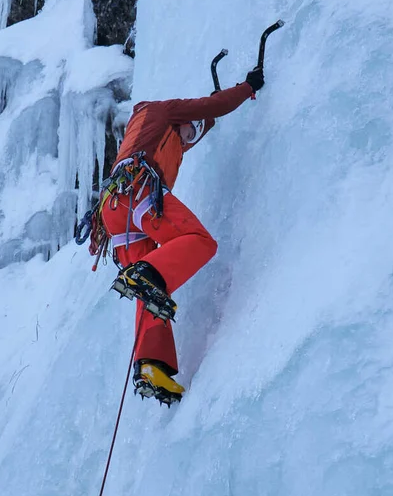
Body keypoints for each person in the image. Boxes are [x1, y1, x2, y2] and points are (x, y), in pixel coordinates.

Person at [82, 66, 264, 404]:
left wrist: (206, 122)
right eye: (187, 133)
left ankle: (152, 366)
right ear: (179, 122)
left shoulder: (148, 132)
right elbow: (209, 110)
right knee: (199, 242)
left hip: (115, 210)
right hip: (138, 191)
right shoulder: (163, 111)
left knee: (150, 293)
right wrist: (247, 88)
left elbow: (201, 122)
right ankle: (148, 274)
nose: (186, 140)